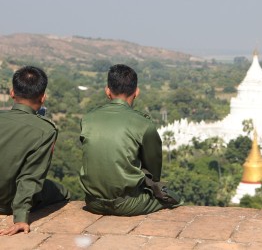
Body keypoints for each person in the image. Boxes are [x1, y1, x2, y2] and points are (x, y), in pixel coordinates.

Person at [79, 64, 181, 216]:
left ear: (107, 91)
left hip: (93, 202)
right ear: (136, 92)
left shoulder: (88, 119)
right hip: (127, 204)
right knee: (175, 198)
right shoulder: (144, 124)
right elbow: (154, 171)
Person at [0, 66, 70, 236]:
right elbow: (30, 176)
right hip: (6, 202)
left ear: (12, 93)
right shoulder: (45, 131)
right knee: (62, 191)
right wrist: (21, 218)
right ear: (43, 97)